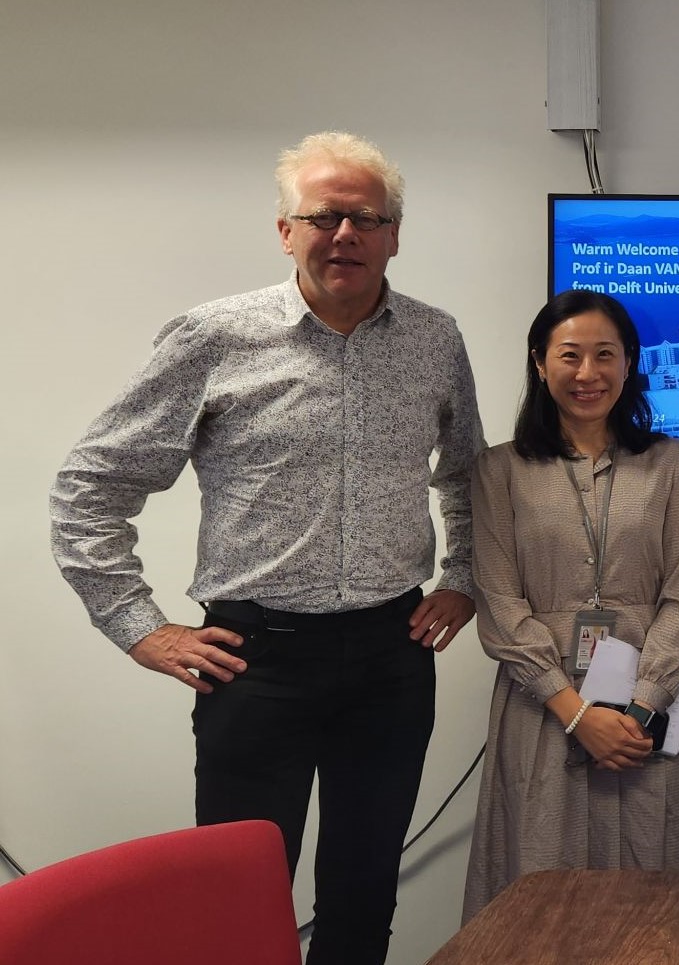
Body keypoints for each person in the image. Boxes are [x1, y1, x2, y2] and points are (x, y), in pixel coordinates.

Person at [49, 131, 484, 964]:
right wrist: (140, 625)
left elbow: (465, 474)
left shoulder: (436, 339)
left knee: (364, 891)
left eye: (366, 216)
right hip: (255, 661)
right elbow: (89, 483)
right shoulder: (215, 337)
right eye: (323, 214)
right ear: (286, 230)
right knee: (237, 900)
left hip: (392, 657)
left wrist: (460, 574)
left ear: (396, 232)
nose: (345, 232)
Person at [463, 290, 679, 921]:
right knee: (542, 891)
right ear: (539, 363)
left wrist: (638, 708)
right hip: (541, 709)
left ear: (629, 363)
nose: (587, 373)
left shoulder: (673, 464)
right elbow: (499, 603)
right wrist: (577, 714)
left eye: (605, 355)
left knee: (655, 899)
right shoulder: (500, 471)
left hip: (646, 718)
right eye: (570, 355)